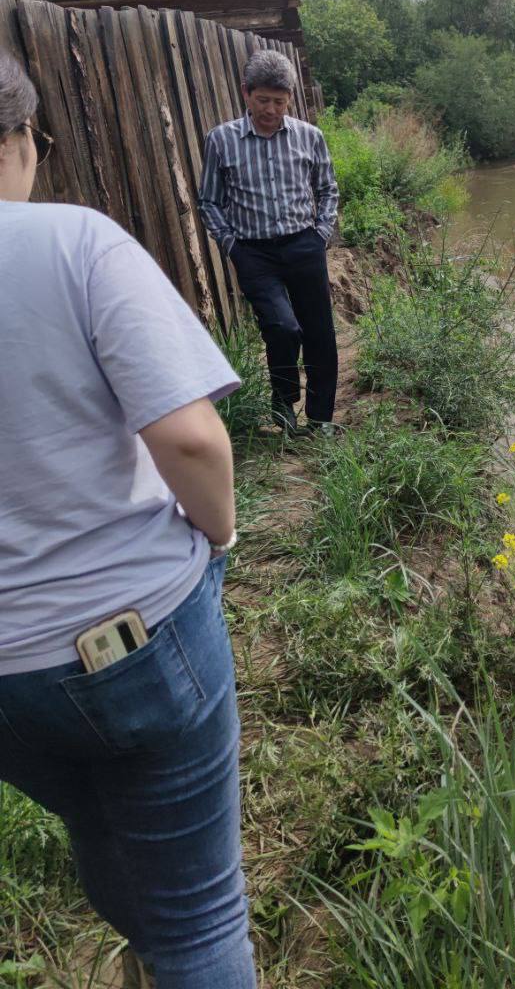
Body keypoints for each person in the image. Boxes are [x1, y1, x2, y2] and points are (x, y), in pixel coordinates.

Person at [0, 50, 256, 989]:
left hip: (7, 684)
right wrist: (219, 536)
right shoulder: (74, 242)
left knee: (94, 817)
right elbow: (190, 441)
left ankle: (143, 947)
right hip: (134, 640)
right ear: (24, 137)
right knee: (202, 917)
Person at [198, 49, 339, 437]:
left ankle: (322, 419)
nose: (271, 110)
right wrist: (231, 245)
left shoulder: (310, 137)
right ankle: (283, 405)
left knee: (320, 334)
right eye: (263, 100)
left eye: (279, 101)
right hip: (254, 253)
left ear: (290, 98)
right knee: (281, 328)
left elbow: (328, 190)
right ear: (246, 93)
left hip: (304, 246)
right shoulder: (221, 140)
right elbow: (208, 200)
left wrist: (321, 232)